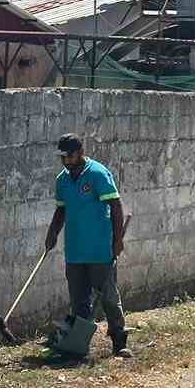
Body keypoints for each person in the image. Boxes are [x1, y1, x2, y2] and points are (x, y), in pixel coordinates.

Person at [45, 134, 130, 359]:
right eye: (62, 157)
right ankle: (78, 344)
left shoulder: (98, 173)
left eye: (69, 156)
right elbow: (61, 209)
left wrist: (118, 239)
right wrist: (52, 232)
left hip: (100, 249)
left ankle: (119, 340)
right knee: (78, 299)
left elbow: (115, 204)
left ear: (80, 152)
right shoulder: (62, 179)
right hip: (74, 251)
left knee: (109, 297)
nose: (66, 161)